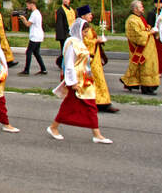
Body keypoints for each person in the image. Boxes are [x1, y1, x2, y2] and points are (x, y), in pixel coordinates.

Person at [47, 8, 113, 144]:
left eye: (86, 32)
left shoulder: (80, 43)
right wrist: (72, 82)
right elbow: (69, 63)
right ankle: (54, 127)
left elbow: (85, 62)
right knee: (74, 106)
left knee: (89, 105)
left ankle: (96, 134)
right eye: (84, 32)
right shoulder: (71, 43)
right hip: (76, 81)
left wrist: (90, 75)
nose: (85, 34)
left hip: (85, 80)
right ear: (78, 30)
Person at [77, 7, 119, 113]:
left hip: (95, 57)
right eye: (89, 14)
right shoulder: (80, 27)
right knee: (92, 81)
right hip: (89, 58)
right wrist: (96, 41)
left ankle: (103, 102)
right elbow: (84, 41)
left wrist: (97, 41)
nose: (91, 16)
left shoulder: (88, 26)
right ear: (83, 16)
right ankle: (97, 103)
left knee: (99, 80)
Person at [120, 0, 160, 95]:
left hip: (149, 48)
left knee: (150, 67)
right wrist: (150, 32)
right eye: (141, 7)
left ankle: (140, 84)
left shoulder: (140, 18)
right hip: (141, 49)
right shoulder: (132, 20)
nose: (143, 9)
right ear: (135, 9)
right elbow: (137, 35)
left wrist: (150, 28)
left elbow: (144, 29)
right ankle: (147, 88)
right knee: (145, 68)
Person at [18, 0, 47, 75]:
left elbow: (28, 24)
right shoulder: (37, 13)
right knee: (36, 53)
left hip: (35, 36)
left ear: (32, 4)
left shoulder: (34, 14)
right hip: (39, 35)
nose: (27, 7)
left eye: (27, 5)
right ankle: (43, 69)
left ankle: (26, 70)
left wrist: (23, 19)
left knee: (28, 52)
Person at [55, 0, 76, 68]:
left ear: (69, 0)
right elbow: (59, 24)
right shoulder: (60, 10)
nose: (65, 1)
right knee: (65, 51)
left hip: (71, 34)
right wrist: (61, 37)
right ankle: (63, 64)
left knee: (70, 50)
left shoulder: (71, 10)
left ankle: (67, 63)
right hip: (64, 34)